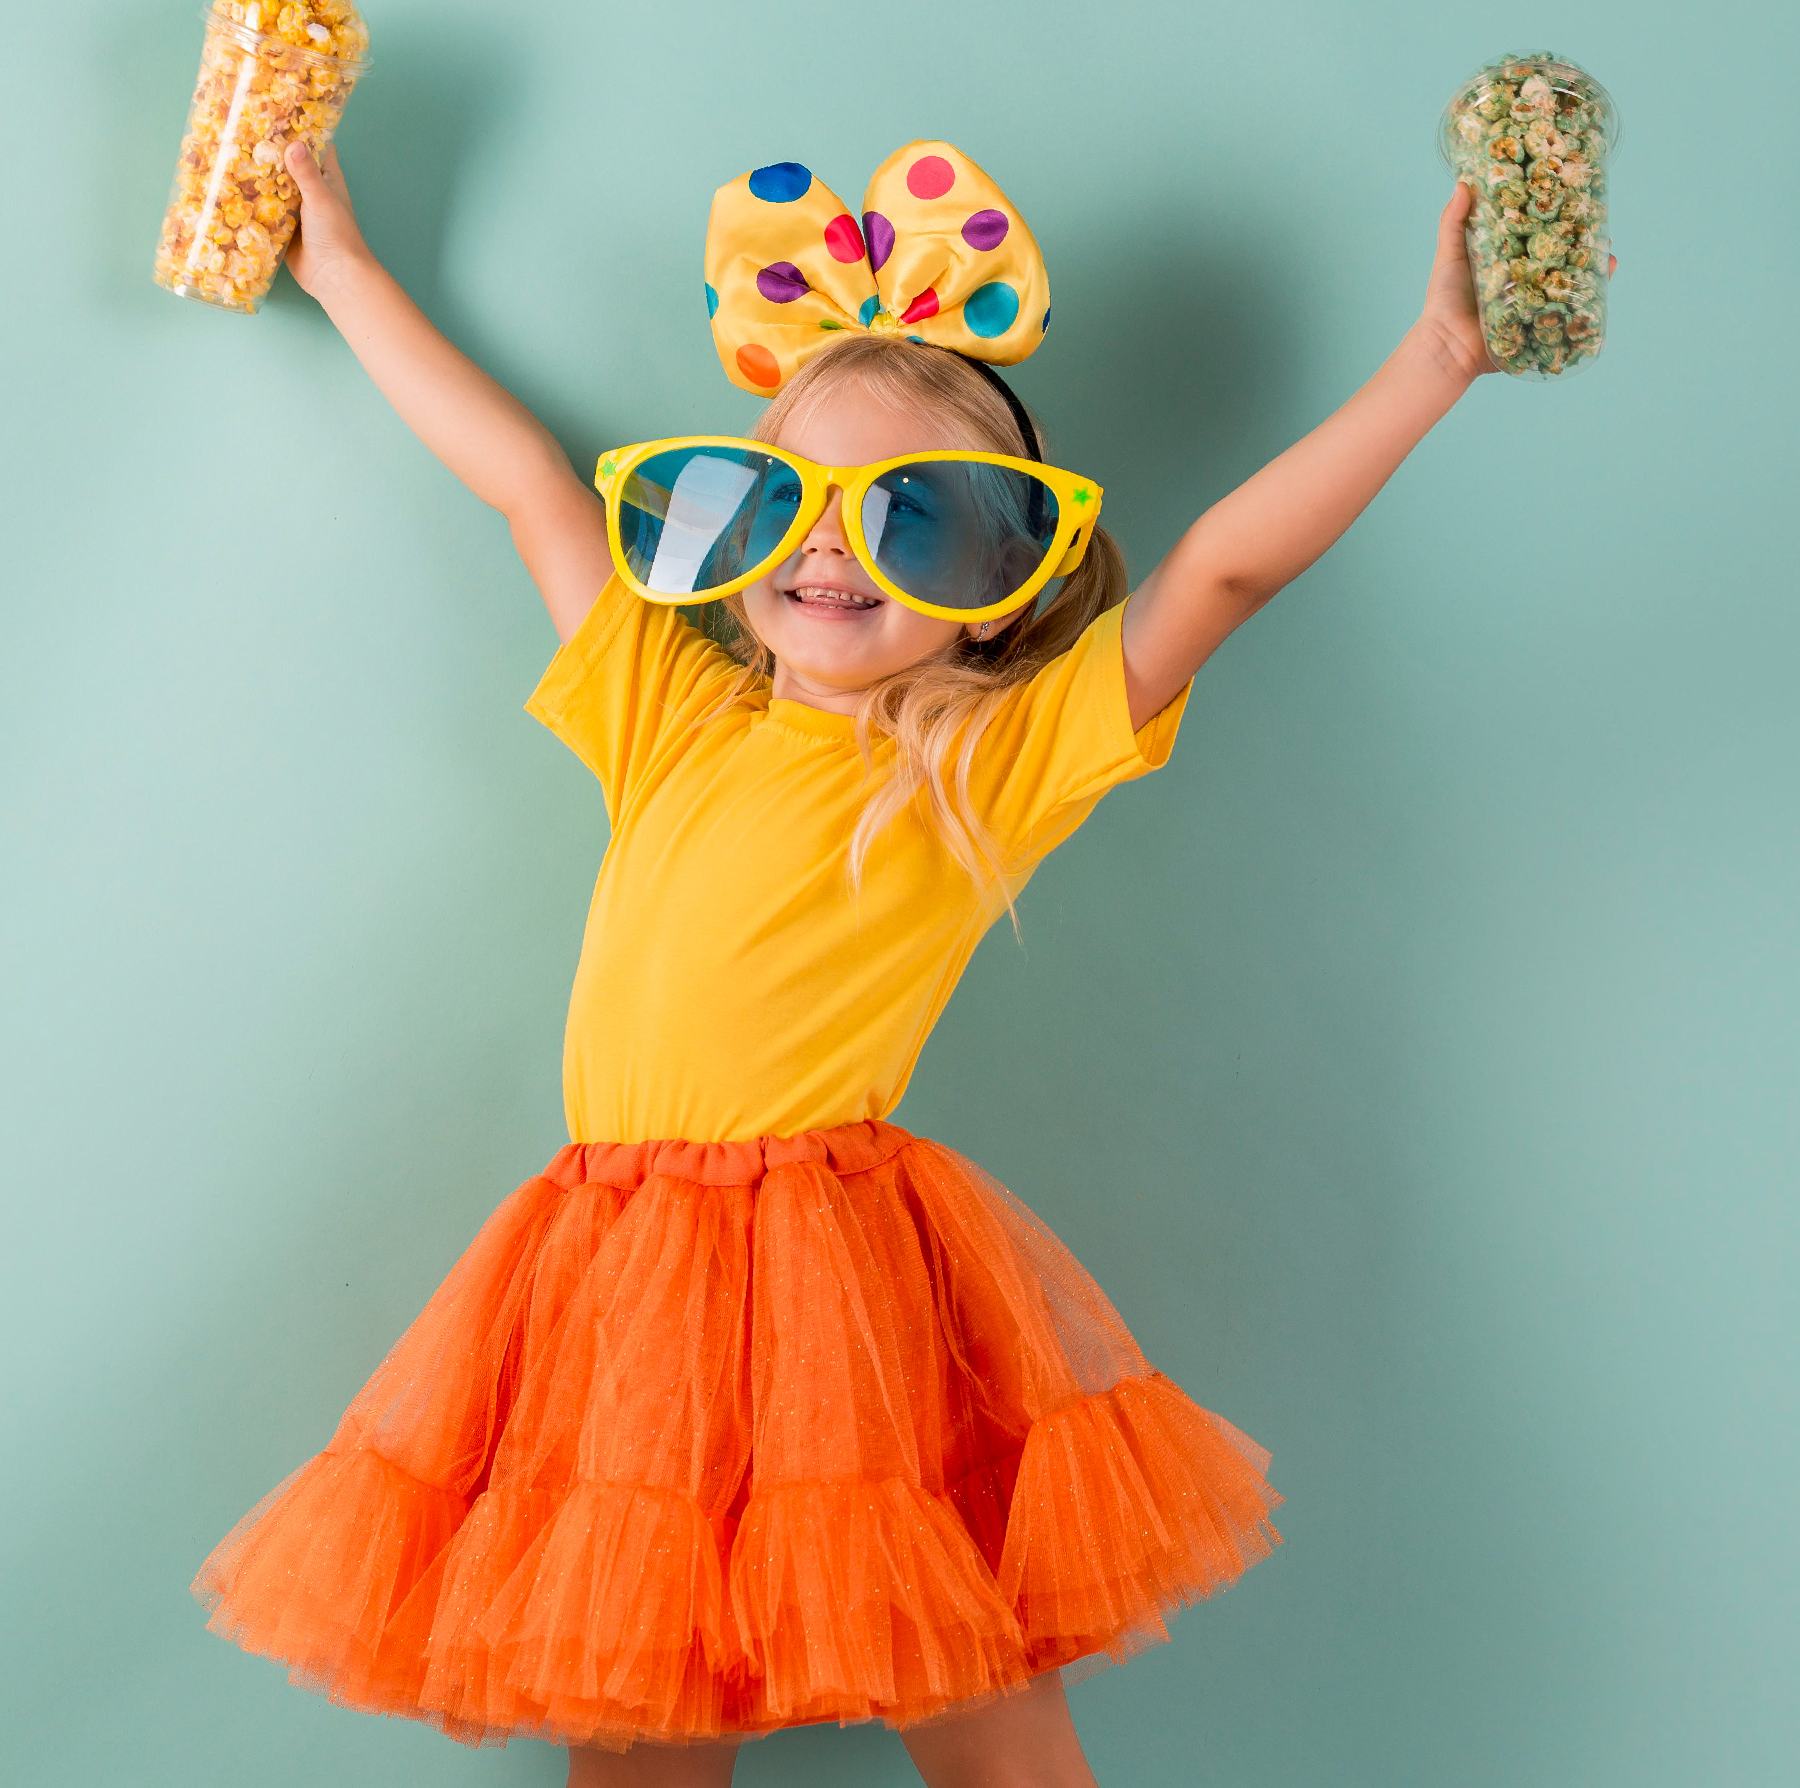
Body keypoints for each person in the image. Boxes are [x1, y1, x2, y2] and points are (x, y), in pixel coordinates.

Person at [193, 135, 1499, 1787]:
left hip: (838, 1279)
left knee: (975, 1681)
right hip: (612, 1275)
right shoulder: (669, 714)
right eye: (788, 505)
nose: (834, 553)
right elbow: (526, 483)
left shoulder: (978, 763)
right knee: (639, 1691)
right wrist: (349, 275)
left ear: (999, 582)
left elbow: (1221, 570)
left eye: (921, 524)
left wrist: (1436, 363)